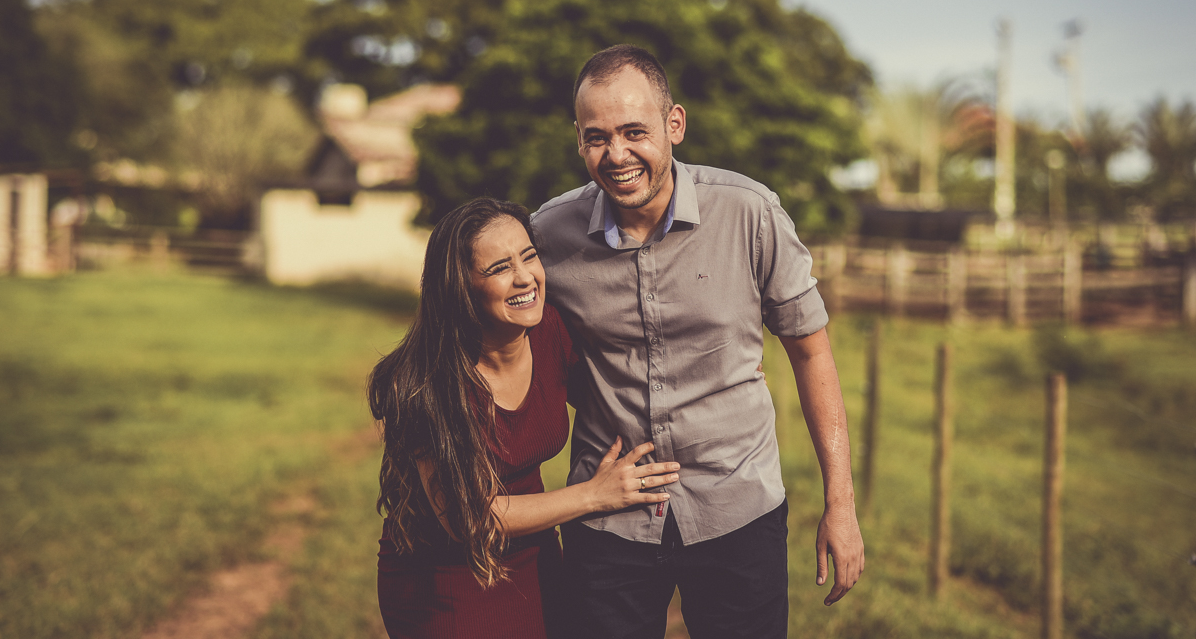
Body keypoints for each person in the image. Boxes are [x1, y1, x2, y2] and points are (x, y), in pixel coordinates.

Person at [532, 45, 865, 639]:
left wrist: (840, 503)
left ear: (674, 125)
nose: (617, 155)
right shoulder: (548, 236)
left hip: (738, 507)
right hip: (607, 517)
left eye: (635, 131)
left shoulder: (750, 213)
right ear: (577, 139)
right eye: (596, 137)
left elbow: (812, 352)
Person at [367, 197, 681, 639]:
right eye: (499, 268)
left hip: (533, 555)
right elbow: (469, 520)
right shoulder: (424, 383)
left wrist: (705, 376)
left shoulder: (550, 330)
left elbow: (616, 389)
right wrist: (594, 495)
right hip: (445, 577)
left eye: (529, 256)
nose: (524, 277)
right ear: (461, 286)